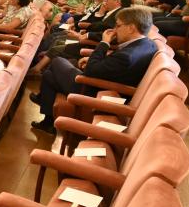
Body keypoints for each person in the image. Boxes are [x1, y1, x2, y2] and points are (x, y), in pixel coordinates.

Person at [30, 7, 158, 134]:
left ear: (131, 28)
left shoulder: (127, 56)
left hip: (94, 90)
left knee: (57, 60)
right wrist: (92, 58)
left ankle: (43, 105)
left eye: (118, 26)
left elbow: (90, 71)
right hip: (104, 82)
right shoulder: (149, 44)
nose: (114, 30)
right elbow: (113, 65)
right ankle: (47, 122)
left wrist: (104, 43)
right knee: (48, 74)